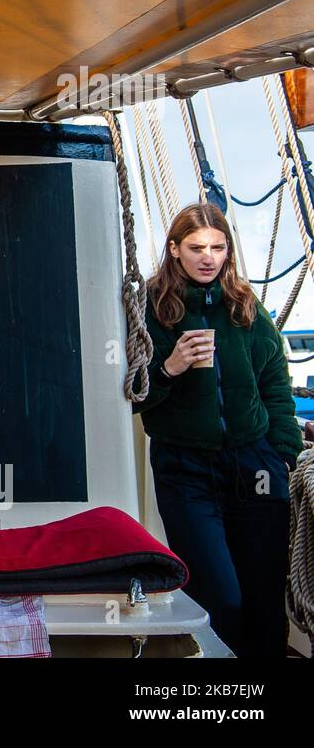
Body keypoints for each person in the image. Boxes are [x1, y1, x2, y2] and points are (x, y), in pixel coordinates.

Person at [134, 203, 303, 658]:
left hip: (256, 465)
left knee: (264, 600)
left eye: (218, 247)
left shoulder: (245, 304)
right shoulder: (150, 308)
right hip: (185, 469)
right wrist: (170, 366)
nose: (208, 257)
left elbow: (275, 382)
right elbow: (133, 393)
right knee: (219, 598)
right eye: (195, 248)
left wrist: (282, 453)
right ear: (173, 250)